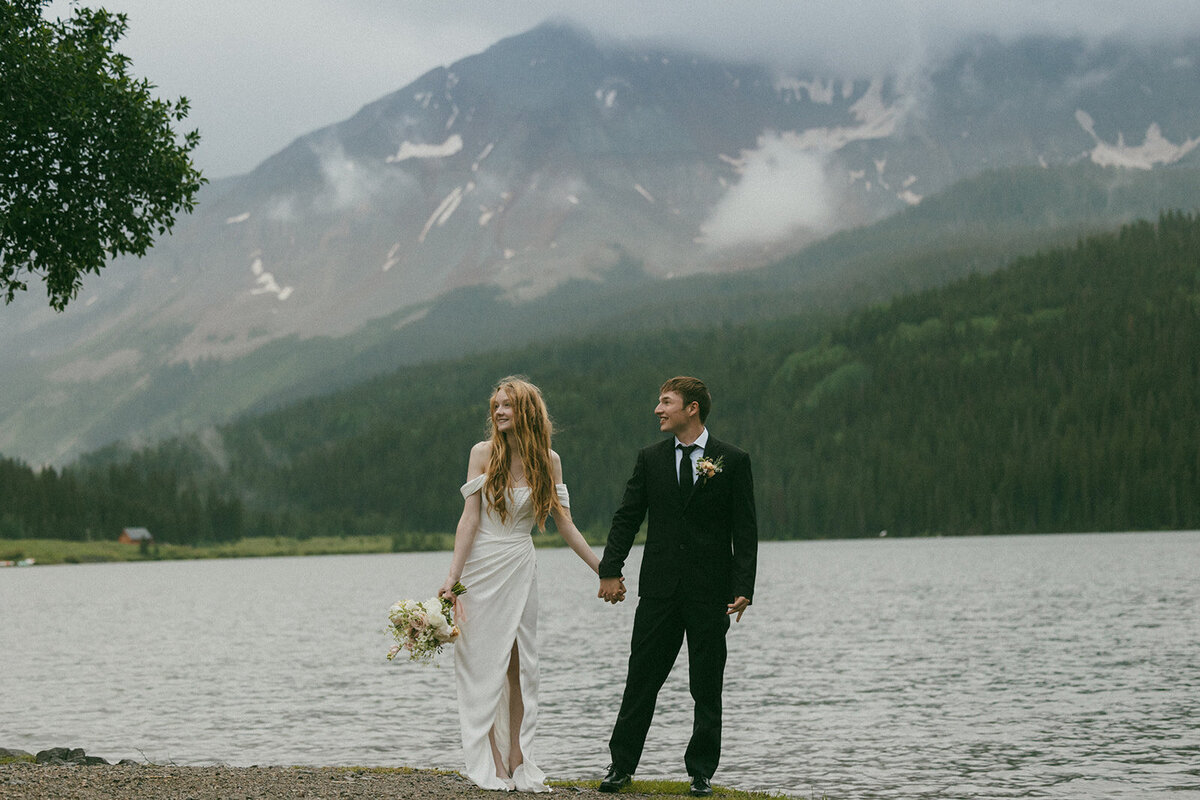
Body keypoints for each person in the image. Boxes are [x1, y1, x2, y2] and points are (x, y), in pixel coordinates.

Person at [596, 376, 758, 798]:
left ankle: (701, 772)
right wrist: (609, 569)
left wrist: (744, 586)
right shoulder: (650, 459)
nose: (657, 409)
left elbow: (746, 529)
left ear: (692, 409)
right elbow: (627, 517)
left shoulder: (733, 460)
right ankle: (621, 767)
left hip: (711, 592)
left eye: (666, 402)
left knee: (706, 684)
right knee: (641, 679)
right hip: (660, 591)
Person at [439, 376, 602, 792]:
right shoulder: (482, 453)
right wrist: (452, 577)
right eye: (495, 405)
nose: (498, 412)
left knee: (517, 662)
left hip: (518, 563)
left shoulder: (549, 461)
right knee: (480, 659)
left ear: (526, 410)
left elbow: (565, 524)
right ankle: (490, 755)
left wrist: (601, 568)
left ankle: (517, 753)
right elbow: (469, 519)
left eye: (507, 405)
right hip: (480, 567)